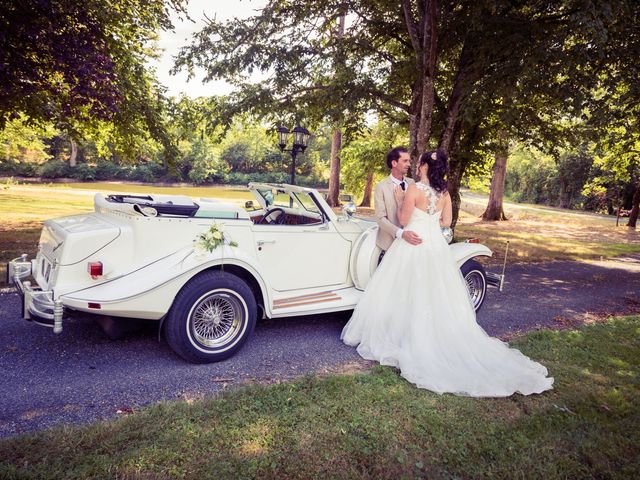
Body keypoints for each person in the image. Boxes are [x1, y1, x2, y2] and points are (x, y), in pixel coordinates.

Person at [341, 149, 553, 397]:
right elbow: (445, 223)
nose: (414, 165)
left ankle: (403, 337)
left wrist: (401, 201)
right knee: (431, 292)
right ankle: (423, 334)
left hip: (412, 245)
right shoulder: (444, 193)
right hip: (434, 248)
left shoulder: (414, 189)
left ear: (423, 167)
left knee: (405, 289)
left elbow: (404, 218)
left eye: (417, 162)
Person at [374, 146, 422, 264]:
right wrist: (401, 234)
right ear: (394, 163)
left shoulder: (412, 183)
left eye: (409, 161)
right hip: (390, 243)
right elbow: (380, 218)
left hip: (411, 242)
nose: (409, 164)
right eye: (405, 161)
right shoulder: (381, 186)